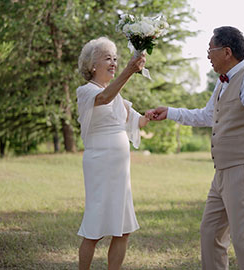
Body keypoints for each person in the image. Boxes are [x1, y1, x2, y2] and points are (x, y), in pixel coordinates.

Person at [146, 26, 244, 270]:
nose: (208, 55)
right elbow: (207, 115)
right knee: (210, 234)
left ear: (227, 52)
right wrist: (170, 112)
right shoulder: (223, 83)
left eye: (211, 50)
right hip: (222, 172)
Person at [76, 37, 149, 270]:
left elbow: (137, 121)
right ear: (92, 65)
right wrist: (129, 70)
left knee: (123, 229)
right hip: (100, 165)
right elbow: (104, 99)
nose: (114, 62)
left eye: (116, 59)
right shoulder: (86, 91)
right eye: (108, 58)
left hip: (120, 171)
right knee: (95, 229)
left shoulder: (117, 95)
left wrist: (154, 115)